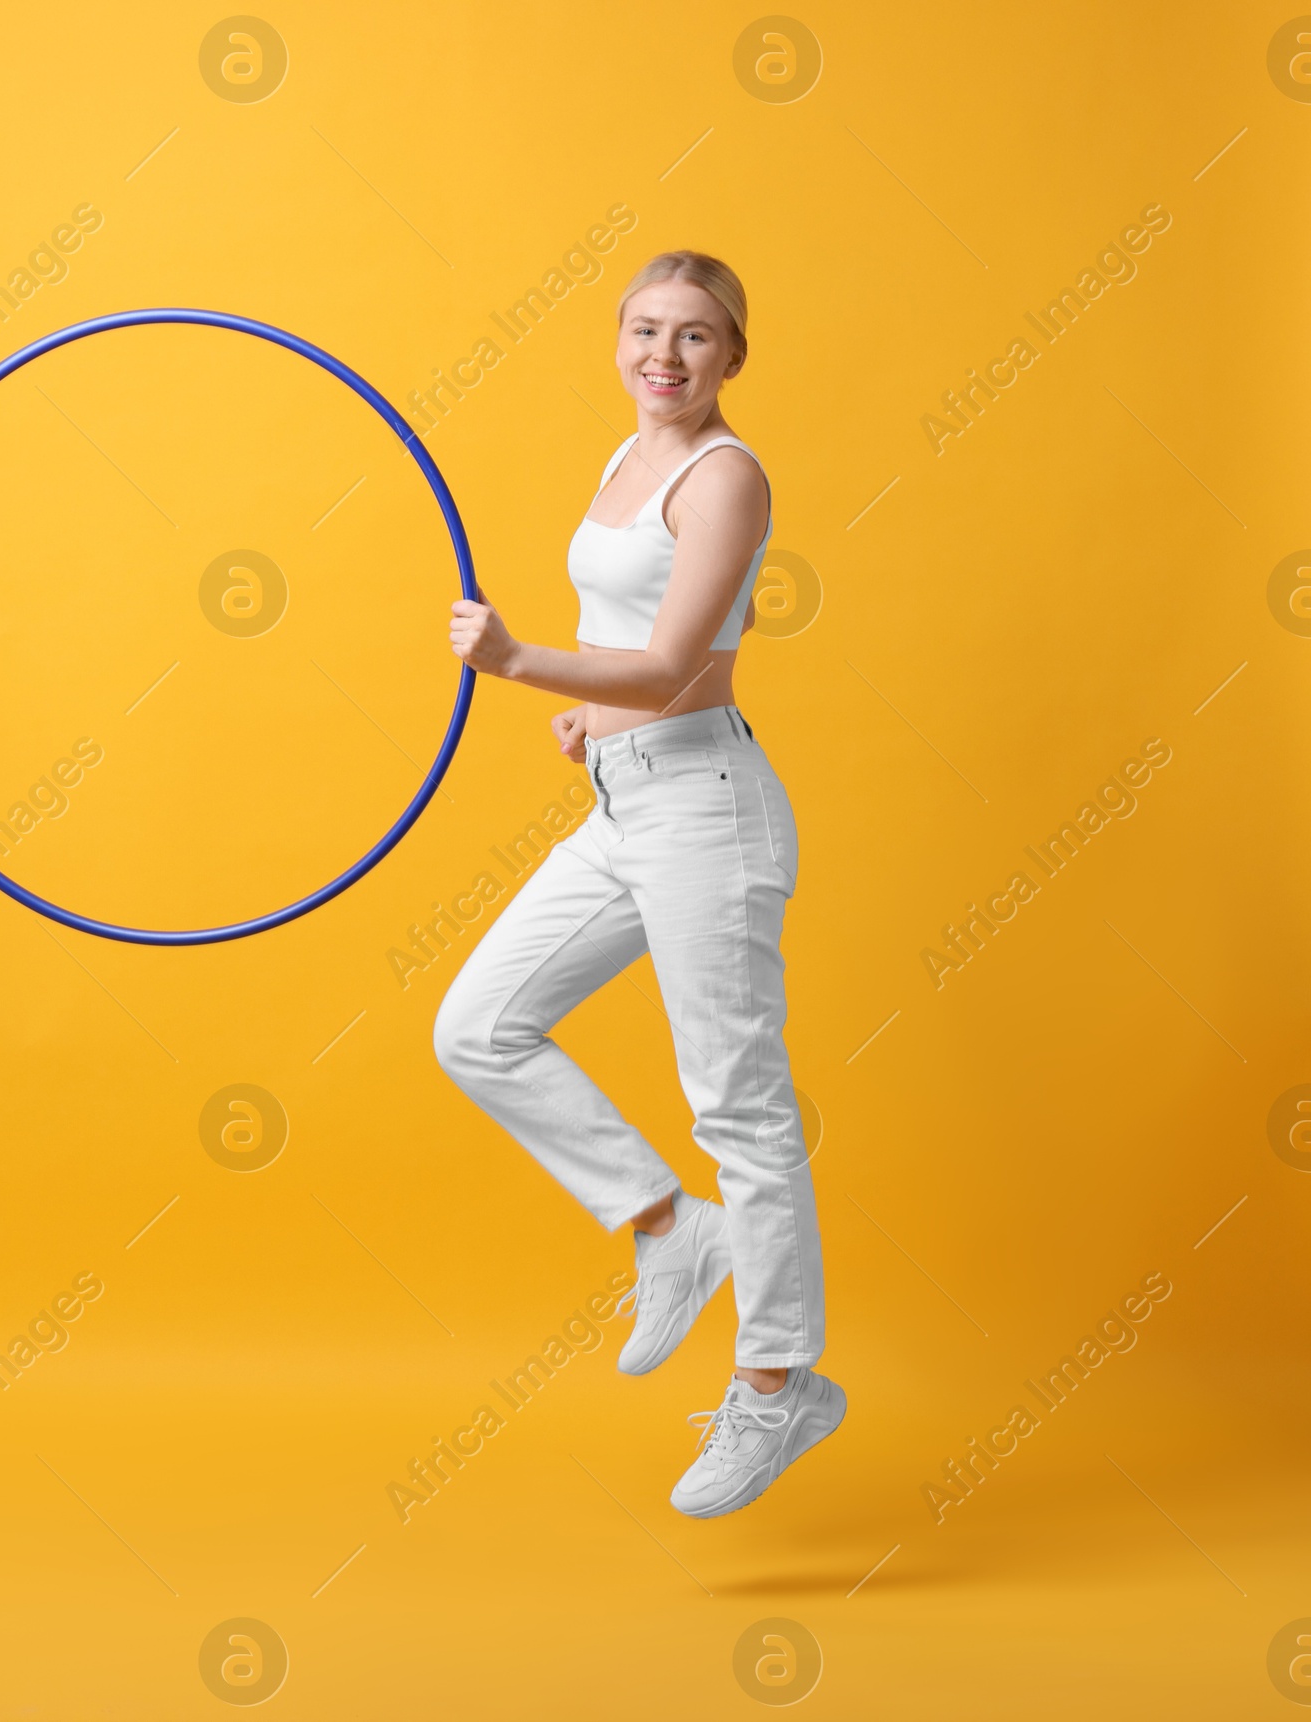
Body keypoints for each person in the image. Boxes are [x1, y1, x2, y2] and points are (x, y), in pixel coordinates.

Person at [435, 250, 844, 1518]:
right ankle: (674, 1231)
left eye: (697, 337)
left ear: (734, 357)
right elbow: (655, 651)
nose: (665, 355)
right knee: (477, 1029)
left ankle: (779, 1388)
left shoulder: (727, 478)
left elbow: (673, 665)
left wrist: (520, 665)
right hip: (631, 802)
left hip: (706, 815)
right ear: (617, 340)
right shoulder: (625, 465)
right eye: (646, 330)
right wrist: (588, 722)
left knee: (743, 1111)